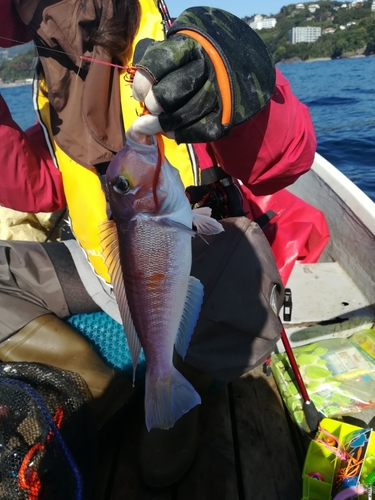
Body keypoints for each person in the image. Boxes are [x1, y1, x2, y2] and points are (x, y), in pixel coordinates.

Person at [0, 0, 317, 490]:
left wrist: (234, 82)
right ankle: (91, 382)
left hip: (178, 261)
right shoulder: (52, 75)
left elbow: (284, 160)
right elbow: (42, 182)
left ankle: (176, 373)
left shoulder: (175, 47)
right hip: (95, 267)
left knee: (248, 261)